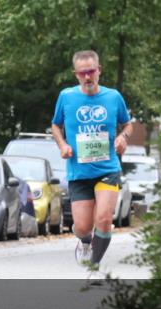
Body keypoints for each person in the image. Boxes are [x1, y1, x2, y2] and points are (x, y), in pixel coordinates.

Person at [50, 50, 132, 276]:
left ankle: (93, 266)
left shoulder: (113, 97)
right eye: (82, 73)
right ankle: (85, 241)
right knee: (83, 227)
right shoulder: (66, 97)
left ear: (99, 71)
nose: (87, 77)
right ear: (76, 74)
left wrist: (122, 138)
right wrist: (63, 146)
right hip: (79, 171)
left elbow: (127, 124)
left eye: (91, 71)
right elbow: (55, 125)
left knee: (104, 218)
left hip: (108, 168)